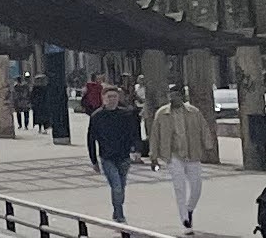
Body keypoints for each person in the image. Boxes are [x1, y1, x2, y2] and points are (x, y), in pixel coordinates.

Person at [149, 81, 216, 230]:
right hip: (173, 155)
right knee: (180, 188)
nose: (174, 99)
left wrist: (208, 146)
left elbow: (204, 129)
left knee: (196, 187)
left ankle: (189, 209)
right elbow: (155, 135)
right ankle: (185, 221)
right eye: (171, 96)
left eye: (177, 96)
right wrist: (153, 156)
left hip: (192, 154)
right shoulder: (162, 114)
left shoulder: (193, 112)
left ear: (182, 97)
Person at [85, 86, 144, 221]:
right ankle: (119, 214)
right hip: (107, 157)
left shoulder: (126, 114)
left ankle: (117, 209)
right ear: (103, 99)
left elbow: (134, 133)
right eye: (109, 97)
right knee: (116, 186)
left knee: (121, 186)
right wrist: (93, 160)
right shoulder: (97, 116)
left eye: (115, 97)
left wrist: (137, 149)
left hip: (124, 155)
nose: (112, 99)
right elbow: (91, 139)